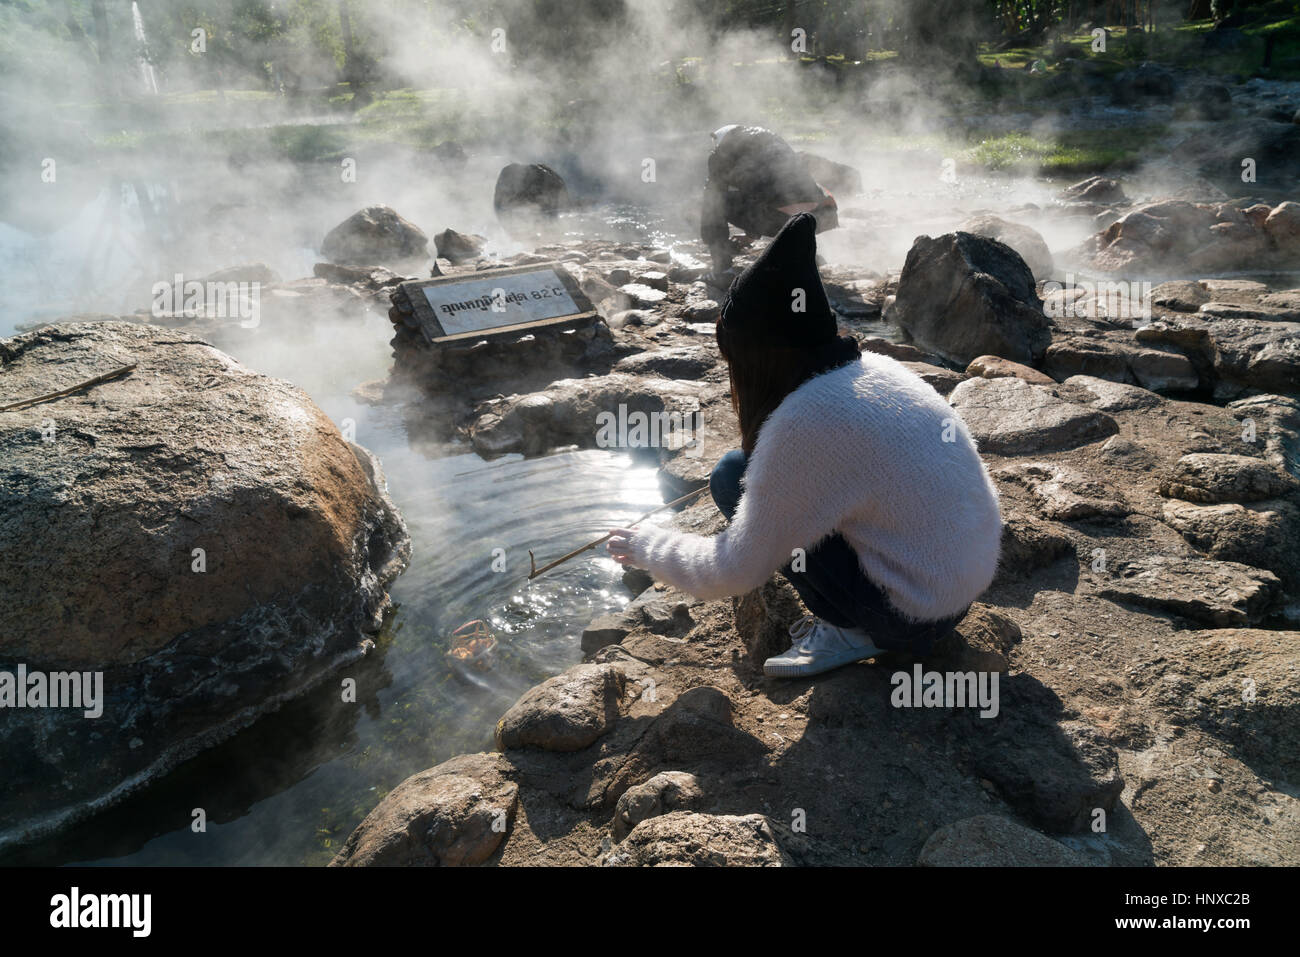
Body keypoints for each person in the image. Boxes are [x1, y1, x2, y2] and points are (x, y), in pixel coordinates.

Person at [608, 213, 1002, 678]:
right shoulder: (874, 368)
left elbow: (737, 570)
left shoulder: (805, 424)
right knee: (740, 468)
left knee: (732, 480)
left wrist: (648, 547)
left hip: (914, 618)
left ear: (756, 358)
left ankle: (848, 631)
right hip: (963, 581)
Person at [700, 125, 839, 276]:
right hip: (821, 215)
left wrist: (717, 243)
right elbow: (768, 189)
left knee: (714, 202)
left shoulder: (723, 152)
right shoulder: (772, 141)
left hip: (785, 216)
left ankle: (722, 271)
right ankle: (803, 258)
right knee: (781, 201)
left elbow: (713, 195)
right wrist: (751, 235)